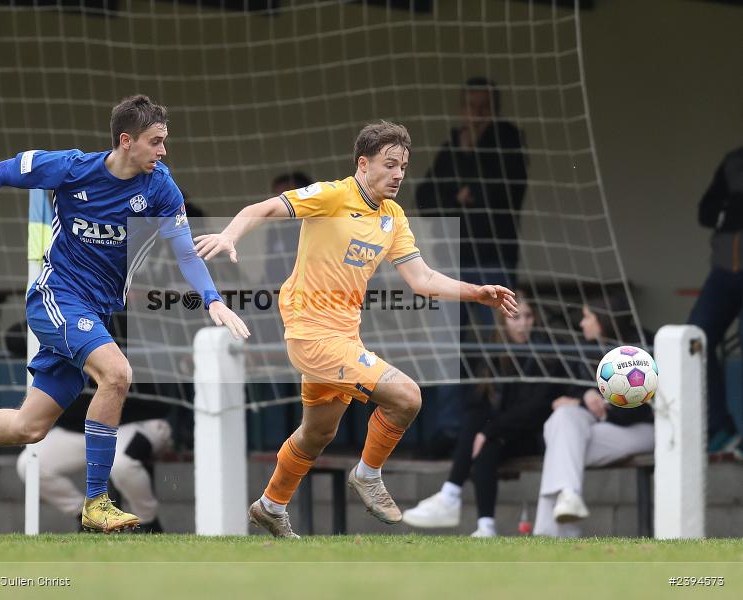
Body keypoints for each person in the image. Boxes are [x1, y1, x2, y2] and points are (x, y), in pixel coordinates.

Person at [0, 95, 250, 533]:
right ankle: (96, 501)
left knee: (27, 427)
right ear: (126, 141)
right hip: (56, 297)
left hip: (94, 312)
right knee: (117, 374)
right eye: (155, 142)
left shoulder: (160, 188)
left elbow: (185, 252)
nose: (163, 151)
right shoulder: (72, 168)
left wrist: (211, 298)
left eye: (164, 142)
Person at [195, 120, 518, 538]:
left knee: (317, 433)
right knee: (406, 398)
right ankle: (368, 475)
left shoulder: (393, 216)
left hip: (345, 336)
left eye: (403, 165)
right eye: (389, 164)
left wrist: (478, 293)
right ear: (362, 164)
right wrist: (229, 235)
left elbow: (422, 279)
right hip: (311, 332)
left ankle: (271, 505)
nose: (399, 173)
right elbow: (263, 209)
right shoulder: (332, 195)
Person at [402, 295, 556, 537]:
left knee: (483, 434)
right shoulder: (491, 356)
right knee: (481, 437)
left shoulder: (546, 357)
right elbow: (477, 404)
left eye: (528, 316)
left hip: (530, 437)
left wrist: (488, 430)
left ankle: (451, 494)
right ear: (503, 321)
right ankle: (485, 526)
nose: (523, 323)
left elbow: (535, 411)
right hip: (496, 436)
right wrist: (487, 431)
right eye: (516, 317)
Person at [10, 317, 171, 533]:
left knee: (122, 464)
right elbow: (12, 338)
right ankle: (90, 518)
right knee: (31, 464)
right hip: (80, 429)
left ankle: (147, 523)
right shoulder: (59, 318)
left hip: (137, 422)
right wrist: (56, 332)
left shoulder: (119, 318)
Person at [533, 297, 654, 537]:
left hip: (641, 430)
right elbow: (569, 395)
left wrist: (590, 403)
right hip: (601, 426)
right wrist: (586, 396)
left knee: (562, 442)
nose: (581, 324)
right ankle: (569, 495)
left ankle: (550, 530)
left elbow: (632, 413)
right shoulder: (587, 349)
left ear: (603, 321)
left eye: (588, 317)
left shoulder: (637, 350)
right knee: (563, 418)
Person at [415, 76, 527, 302]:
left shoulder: (509, 145)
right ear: (461, 110)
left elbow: (499, 193)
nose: (476, 114)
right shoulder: (451, 150)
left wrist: (474, 149)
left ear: (495, 111)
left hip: (494, 260)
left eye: (484, 107)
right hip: (451, 263)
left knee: (495, 334)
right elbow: (424, 199)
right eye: (471, 107)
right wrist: (456, 198)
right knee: (447, 335)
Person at [687, 144, 743, 457]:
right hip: (723, 274)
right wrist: (730, 213)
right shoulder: (733, 161)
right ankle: (721, 426)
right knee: (695, 340)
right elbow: (706, 211)